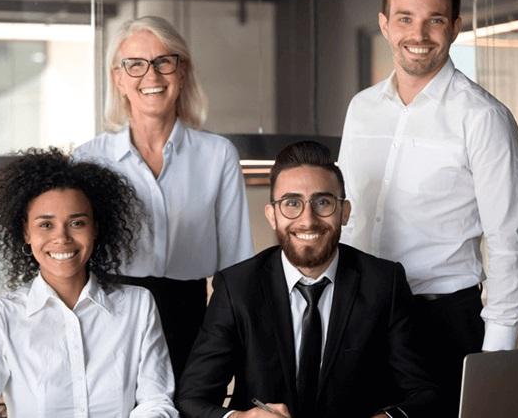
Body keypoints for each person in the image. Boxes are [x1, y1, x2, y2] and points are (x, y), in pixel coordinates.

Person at [338, 0, 518, 414]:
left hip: (442, 321)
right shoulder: (362, 109)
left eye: (435, 20)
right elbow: (347, 218)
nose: (419, 35)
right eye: (405, 19)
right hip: (361, 315)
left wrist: (496, 362)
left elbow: (509, 243)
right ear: (385, 24)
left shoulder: (482, 117)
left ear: (455, 27)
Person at [176, 141, 437, 418]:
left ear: (344, 212)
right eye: (292, 203)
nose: (308, 220)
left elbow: (424, 392)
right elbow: (193, 397)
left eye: (322, 202)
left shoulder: (385, 282)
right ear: (272, 215)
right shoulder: (236, 286)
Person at [75, 16, 254, 382]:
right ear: (118, 79)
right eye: (135, 65)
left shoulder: (217, 154)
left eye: (163, 62)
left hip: (190, 320)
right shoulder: (88, 159)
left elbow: (237, 266)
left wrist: (235, 346)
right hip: (109, 318)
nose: (151, 76)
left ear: (182, 71)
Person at [0, 148, 178, 417]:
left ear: (96, 228)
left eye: (77, 223)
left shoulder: (138, 306)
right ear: (26, 232)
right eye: (46, 225)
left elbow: (156, 401)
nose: (62, 238)